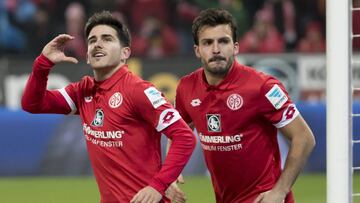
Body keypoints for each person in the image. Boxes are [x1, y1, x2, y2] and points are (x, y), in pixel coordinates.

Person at [21, 11, 196, 203]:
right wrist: (42, 64)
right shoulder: (82, 91)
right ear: (87, 55)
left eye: (107, 39)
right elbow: (32, 104)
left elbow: (184, 137)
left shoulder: (139, 91)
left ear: (125, 53)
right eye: (92, 40)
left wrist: (158, 185)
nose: (97, 44)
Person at [168, 8, 315, 203]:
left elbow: (304, 137)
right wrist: (170, 174)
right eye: (207, 42)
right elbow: (179, 131)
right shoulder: (186, 87)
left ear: (236, 47)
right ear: (197, 50)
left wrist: (280, 191)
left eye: (223, 41)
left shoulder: (263, 86)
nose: (216, 49)